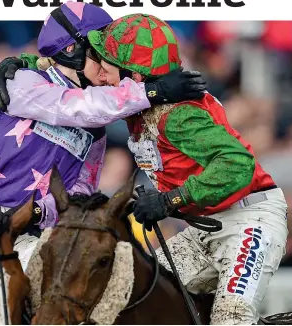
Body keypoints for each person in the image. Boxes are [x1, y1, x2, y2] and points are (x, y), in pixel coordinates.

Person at [0, 4, 208, 325]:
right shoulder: (19, 83)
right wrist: (151, 91)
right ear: (71, 50)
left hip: (28, 238)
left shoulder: (95, 135)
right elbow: (77, 108)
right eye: (100, 52)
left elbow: (79, 193)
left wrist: (41, 211)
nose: (110, 62)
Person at [85, 13, 288, 325]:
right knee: (130, 297)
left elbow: (237, 166)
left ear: (135, 77)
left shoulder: (176, 115)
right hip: (206, 226)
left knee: (230, 318)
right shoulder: (140, 102)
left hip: (250, 221)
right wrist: (29, 66)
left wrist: (168, 201)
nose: (101, 76)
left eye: (107, 67)